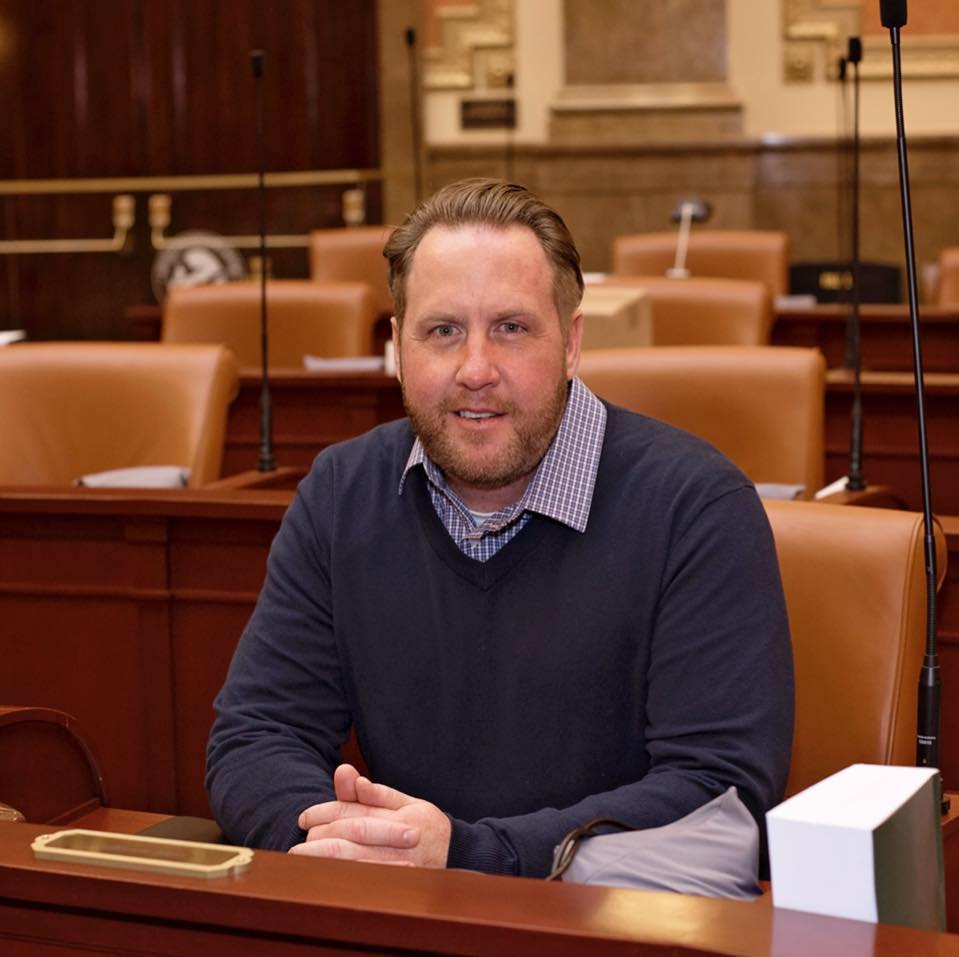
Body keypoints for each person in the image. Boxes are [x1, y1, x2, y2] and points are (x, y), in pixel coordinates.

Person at [206, 178, 793, 878]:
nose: (475, 370)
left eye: (510, 329)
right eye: (442, 331)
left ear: (572, 342)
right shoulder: (341, 492)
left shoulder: (695, 507)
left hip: (609, 933)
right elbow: (255, 735)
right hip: (393, 913)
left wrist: (464, 855)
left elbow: (717, 790)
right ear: (398, 346)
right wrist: (348, 846)